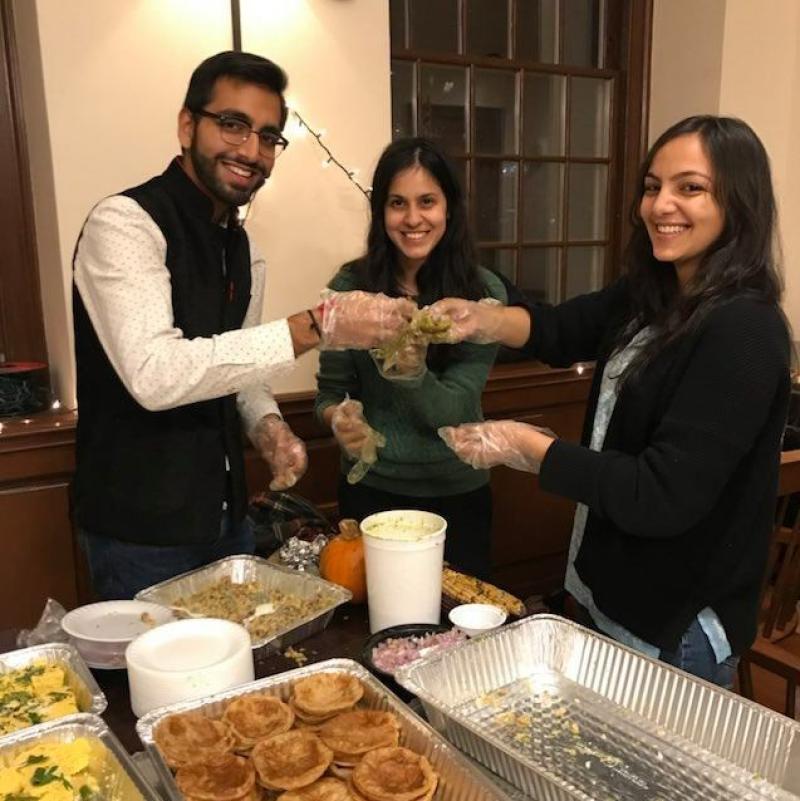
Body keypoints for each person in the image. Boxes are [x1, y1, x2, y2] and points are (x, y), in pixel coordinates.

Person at [433, 115, 791, 686]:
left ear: (738, 202)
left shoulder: (744, 331)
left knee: (650, 778)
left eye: (689, 188)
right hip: (609, 588)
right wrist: (482, 318)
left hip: (674, 620)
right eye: (652, 187)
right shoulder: (652, 294)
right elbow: (558, 329)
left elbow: (660, 494)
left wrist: (529, 449)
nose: (661, 205)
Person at [72, 51, 414, 600]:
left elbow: (240, 373)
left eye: (268, 136)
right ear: (188, 126)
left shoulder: (242, 245)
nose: (251, 151)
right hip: (139, 533)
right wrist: (317, 326)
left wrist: (268, 427)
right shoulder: (125, 223)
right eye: (233, 125)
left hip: (228, 517)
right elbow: (155, 375)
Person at [314, 138, 507, 578]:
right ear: (381, 212)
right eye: (397, 203)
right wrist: (338, 421)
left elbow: (457, 409)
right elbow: (328, 395)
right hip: (372, 494)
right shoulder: (349, 288)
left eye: (427, 202)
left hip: (457, 492)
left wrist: (413, 371)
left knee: (460, 634)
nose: (413, 219)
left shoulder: (483, 294)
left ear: (449, 209)